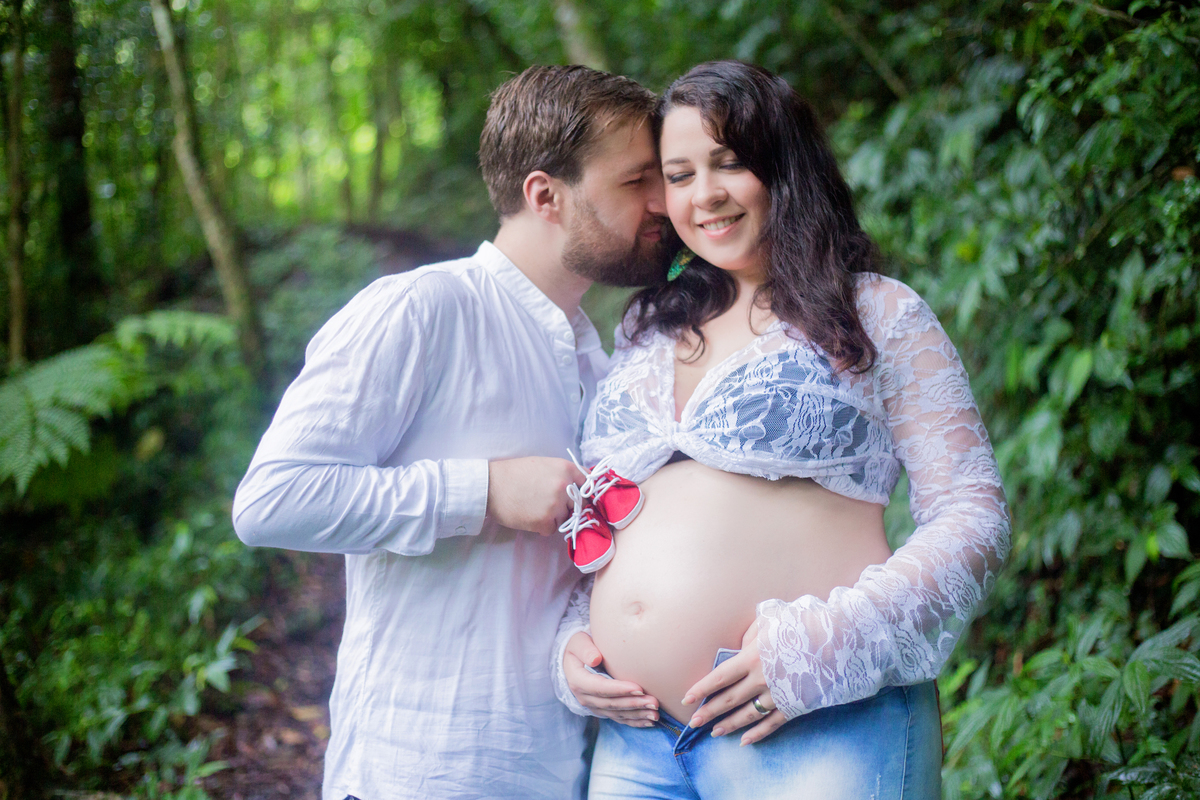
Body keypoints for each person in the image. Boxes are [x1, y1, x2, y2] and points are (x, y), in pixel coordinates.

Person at [550, 60, 1012, 799]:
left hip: (817, 729)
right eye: (680, 174)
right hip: (637, 745)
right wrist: (576, 637)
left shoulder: (878, 313)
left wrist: (824, 648)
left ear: (784, 167)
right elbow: (605, 518)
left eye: (729, 162)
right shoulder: (646, 331)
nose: (705, 194)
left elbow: (974, 518)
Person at [232, 65, 671, 800]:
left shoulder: (602, 362)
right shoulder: (419, 310)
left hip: (555, 770)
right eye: (636, 182)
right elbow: (272, 500)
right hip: (416, 769)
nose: (664, 203)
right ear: (545, 196)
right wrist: (484, 490)